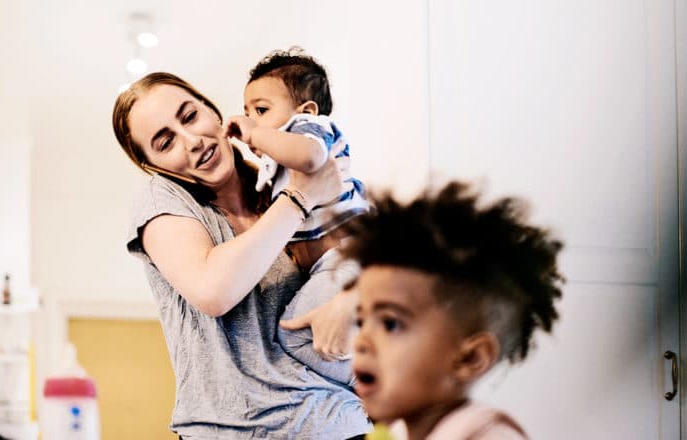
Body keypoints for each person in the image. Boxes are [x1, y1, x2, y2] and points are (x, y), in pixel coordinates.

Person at [112, 72, 371, 439]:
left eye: (189, 116)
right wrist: (300, 197)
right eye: (165, 142)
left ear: (213, 111)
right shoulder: (163, 200)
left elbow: (371, 260)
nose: (192, 140)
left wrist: (354, 297)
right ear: (153, 165)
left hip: (339, 424)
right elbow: (213, 290)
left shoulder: (278, 182)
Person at [341, 182, 564, 440]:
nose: (361, 342)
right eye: (361, 321)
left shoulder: (489, 436)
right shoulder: (397, 433)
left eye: (391, 324)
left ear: (470, 358)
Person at [225, 47, 369, 386]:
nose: (252, 120)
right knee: (308, 333)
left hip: (348, 257)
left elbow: (310, 157)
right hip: (331, 266)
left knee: (294, 336)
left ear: (306, 110)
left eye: (261, 110)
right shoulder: (275, 168)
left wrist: (254, 134)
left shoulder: (310, 129)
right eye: (247, 112)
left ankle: (375, 380)